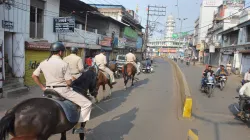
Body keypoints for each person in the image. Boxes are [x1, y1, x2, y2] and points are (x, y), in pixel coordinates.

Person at [32, 42, 92, 133]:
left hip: (48, 90)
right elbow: (68, 82)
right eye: (63, 52)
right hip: (62, 90)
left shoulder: (43, 62)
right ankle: (79, 127)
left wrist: (42, 87)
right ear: (60, 52)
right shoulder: (63, 64)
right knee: (87, 104)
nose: (63, 53)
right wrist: (69, 83)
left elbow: (34, 76)